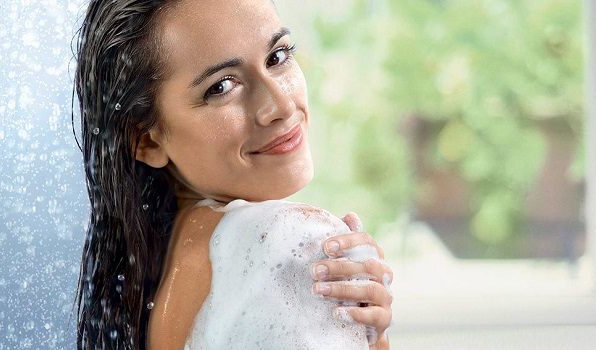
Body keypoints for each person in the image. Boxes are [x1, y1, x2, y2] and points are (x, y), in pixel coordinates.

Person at [73, 0, 393, 349]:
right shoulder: (291, 246)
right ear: (146, 141)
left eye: (277, 56)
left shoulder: (163, 268)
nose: (281, 106)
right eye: (222, 86)